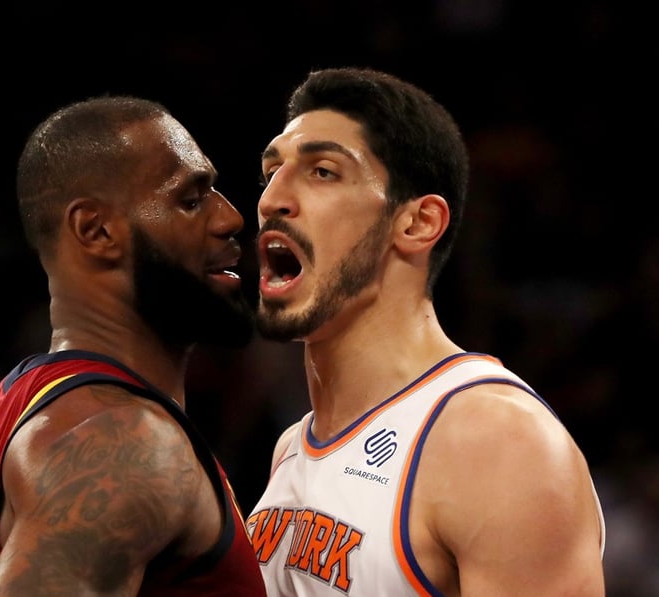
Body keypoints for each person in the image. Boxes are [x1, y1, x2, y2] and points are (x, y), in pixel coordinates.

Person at [244, 67, 606, 596]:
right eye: (270, 172)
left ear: (416, 224)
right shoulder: (291, 449)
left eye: (322, 171)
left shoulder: (497, 441)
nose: (272, 198)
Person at [0, 95, 267, 596]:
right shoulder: (128, 444)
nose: (230, 218)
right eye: (190, 199)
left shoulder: (21, 406)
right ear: (96, 231)